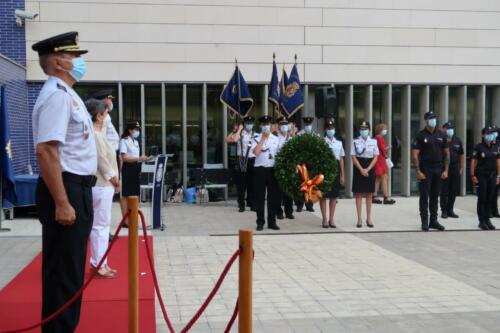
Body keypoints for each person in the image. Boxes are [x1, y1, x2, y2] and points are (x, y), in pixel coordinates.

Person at [32, 31, 96, 332]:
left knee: (69, 271)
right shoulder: (57, 96)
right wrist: (62, 202)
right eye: (74, 56)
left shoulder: (68, 94)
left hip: (76, 187)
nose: (79, 61)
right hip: (66, 188)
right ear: (58, 62)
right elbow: (46, 150)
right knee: (63, 274)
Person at [85, 99, 120, 278]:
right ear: (98, 116)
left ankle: (100, 262)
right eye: (105, 113)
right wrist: (114, 179)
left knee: (101, 226)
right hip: (101, 184)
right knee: (100, 226)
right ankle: (99, 263)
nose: (107, 117)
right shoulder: (95, 134)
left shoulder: (98, 132)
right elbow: (102, 160)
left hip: (101, 185)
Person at [412, 111, 450, 231]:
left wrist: (446, 170)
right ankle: (424, 221)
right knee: (424, 196)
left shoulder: (441, 135)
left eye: (434, 117)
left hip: (438, 168)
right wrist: (418, 171)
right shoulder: (420, 135)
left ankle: (434, 221)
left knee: (435, 195)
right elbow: (415, 155)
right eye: (431, 118)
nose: (433, 120)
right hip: (425, 168)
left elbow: (447, 153)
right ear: (426, 120)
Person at [252, 115, 281, 231]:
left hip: (272, 170)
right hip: (260, 169)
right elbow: (256, 152)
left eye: (267, 124)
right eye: (263, 125)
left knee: (273, 197)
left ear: (270, 126)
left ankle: (272, 221)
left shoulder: (276, 139)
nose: (265, 126)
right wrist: (263, 139)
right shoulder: (255, 138)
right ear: (260, 126)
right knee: (259, 197)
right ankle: (260, 221)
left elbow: (279, 155)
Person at [119, 121, 149, 226]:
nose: (137, 131)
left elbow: (137, 158)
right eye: (135, 129)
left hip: (136, 168)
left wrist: (144, 159)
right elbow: (124, 157)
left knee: (134, 193)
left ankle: (132, 217)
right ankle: (125, 220)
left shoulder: (136, 142)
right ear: (130, 130)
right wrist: (138, 158)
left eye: (138, 129)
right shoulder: (124, 141)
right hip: (127, 168)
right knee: (126, 194)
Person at [471, 127, 500, 230]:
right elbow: (473, 162)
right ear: (483, 135)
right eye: (488, 133)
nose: (490, 135)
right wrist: (473, 175)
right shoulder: (479, 147)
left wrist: (498, 175)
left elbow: (498, 161)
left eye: (491, 133)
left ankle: (488, 220)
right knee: (482, 198)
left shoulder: (495, 147)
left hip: (492, 175)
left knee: (490, 198)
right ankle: (482, 221)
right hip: (481, 175)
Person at [225, 116, 255, 212]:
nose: (249, 124)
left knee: (252, 183)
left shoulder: (256, 134)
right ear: (244, 124)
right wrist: (237, 130)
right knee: (241, 184)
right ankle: (241, 204)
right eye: (247, 123)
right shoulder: (240, 134)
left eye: (251, 123)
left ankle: (251, 203)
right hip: (241, 160)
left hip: (252, 160)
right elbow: (229, 140)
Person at [351, 121, 379, 228]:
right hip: (359, 167)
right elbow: (353, 157)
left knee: (369, 194)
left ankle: (369, 218)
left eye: (365, 129)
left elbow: (376, 156)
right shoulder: (355, 141)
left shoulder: (374, 142)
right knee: (358, 193)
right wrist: (361, 169)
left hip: (369, 167)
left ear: (369, 130)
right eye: (362, 129)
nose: (364, 131)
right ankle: (359, 219)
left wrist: (367, 169)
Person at [320, 119, 345, 228]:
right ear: (325, 130)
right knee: (324, 195)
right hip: (324, 168)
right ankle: (324, 219)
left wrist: (342, 174)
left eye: (332, 128)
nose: (331, 130)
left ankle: (331, 219)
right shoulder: (321, 142)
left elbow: (341, 159)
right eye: (329, 128)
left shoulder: (339, 143)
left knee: (334, 195)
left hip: (335, 168)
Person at [440, 122, 464, 219]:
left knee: (453, 191)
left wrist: (461, 167)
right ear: (444, 130)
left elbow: (461, 154)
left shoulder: (457, 140)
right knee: (444, 191)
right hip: (444, 168)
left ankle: (450, 210)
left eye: (451, 128)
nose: (450, 130)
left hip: (455, 168)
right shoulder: (442, 140)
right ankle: (444, 210)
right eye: (448, 128)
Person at [296, 116, 316, 212]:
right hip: (302, 162)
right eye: (306, 124)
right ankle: (299, 204)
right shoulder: (299, 135)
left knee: (311, 183)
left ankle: (309, 205)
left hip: (311, 163)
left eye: (309, 125)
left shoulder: (315, 136)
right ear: (304, 125)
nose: (308, 126)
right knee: (301, 183)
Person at [275, 117, 294, 220]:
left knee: (289, 191)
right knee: (278, 191)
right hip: (279, 166)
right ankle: (279, 212)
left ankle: (289, 211)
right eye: (282, 124)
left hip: (289, 167)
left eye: (285, 124)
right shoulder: (275, 138)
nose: (284, 126)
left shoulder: (291, 139)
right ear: (278, 126)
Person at [372, 123, 395, 205]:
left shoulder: (375, 138)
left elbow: (379, 149)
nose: (386, 130)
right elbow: (382, 150)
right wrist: (387, 151)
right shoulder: (380, 138)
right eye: (384, 129)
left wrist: (385, 149)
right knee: (384, 177)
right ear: (380, 130)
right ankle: (386, 196)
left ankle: (374, 195)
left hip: (377, 159)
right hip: (381, 160)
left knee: (378, 178)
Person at [491, 125, 500, 218]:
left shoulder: (498, 143)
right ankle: (489, 210)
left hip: (498, 171)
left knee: (495, 193)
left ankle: (495, 210)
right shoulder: (489, 144)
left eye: (496, 132)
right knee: (491, 192)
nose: (495, 133)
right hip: (491, 171)